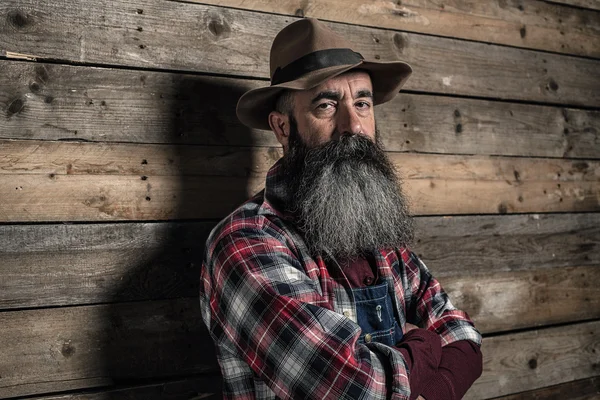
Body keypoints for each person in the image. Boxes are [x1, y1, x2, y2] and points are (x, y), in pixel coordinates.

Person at [200, 18, 482, 400]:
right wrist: (427, 346)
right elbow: (358, 389)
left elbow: (464, 338)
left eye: (362, 103)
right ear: (283, 127)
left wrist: (431, 387)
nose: (353, 125)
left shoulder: (378, 232)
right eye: (327, 105)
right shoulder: (245, 243)